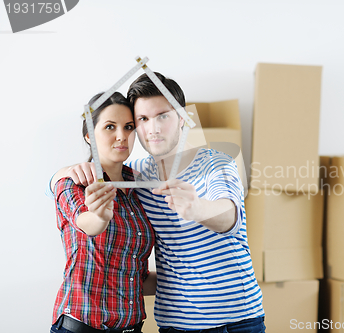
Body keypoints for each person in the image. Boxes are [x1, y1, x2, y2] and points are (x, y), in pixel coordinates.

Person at [50, 73, 265, 332]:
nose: (153, 128)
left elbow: (230, 216)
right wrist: (61, 174)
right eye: (142, 119)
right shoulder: (136, 178)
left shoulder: (216, 164)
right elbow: (66, 190)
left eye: (163, 115)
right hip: (175, 324)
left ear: (184, 119)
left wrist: (197, 208)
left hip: (235, 321)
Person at [50, 92, 156, 333]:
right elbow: (86, 222)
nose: (122, 136)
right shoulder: (73, 182)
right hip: (81, 325)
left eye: (129, 127)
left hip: (132, 326)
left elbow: (135, 275)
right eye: (110, 126)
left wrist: (196, 278)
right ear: (89, 134)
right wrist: (100, 216)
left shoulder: (140, 186)